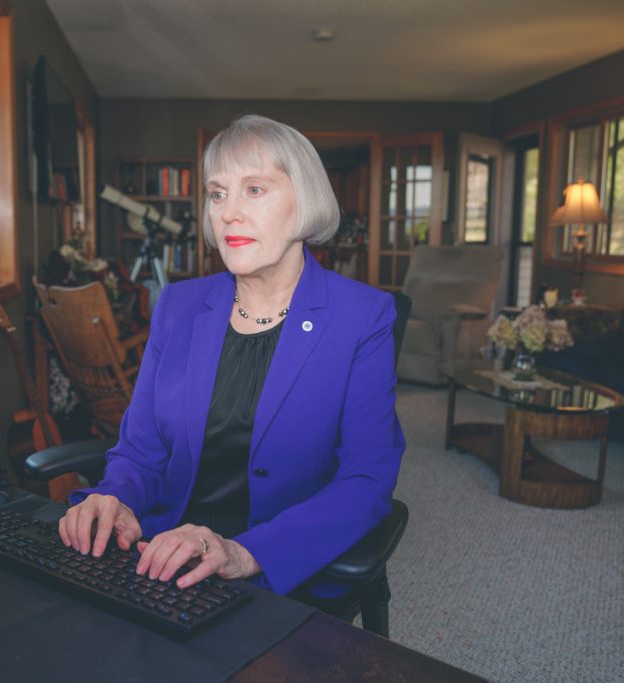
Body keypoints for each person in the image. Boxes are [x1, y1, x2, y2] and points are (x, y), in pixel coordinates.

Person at [59, 114, 405, 600]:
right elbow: (142, 449)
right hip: (165, 554)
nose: (228, 214)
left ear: (304, 200)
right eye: (218, 194)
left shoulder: (363, 317)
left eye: (255, 190)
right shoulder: (179, 307)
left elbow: (367, 480)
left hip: (281, 572)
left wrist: (247, 552)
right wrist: (114, 497)